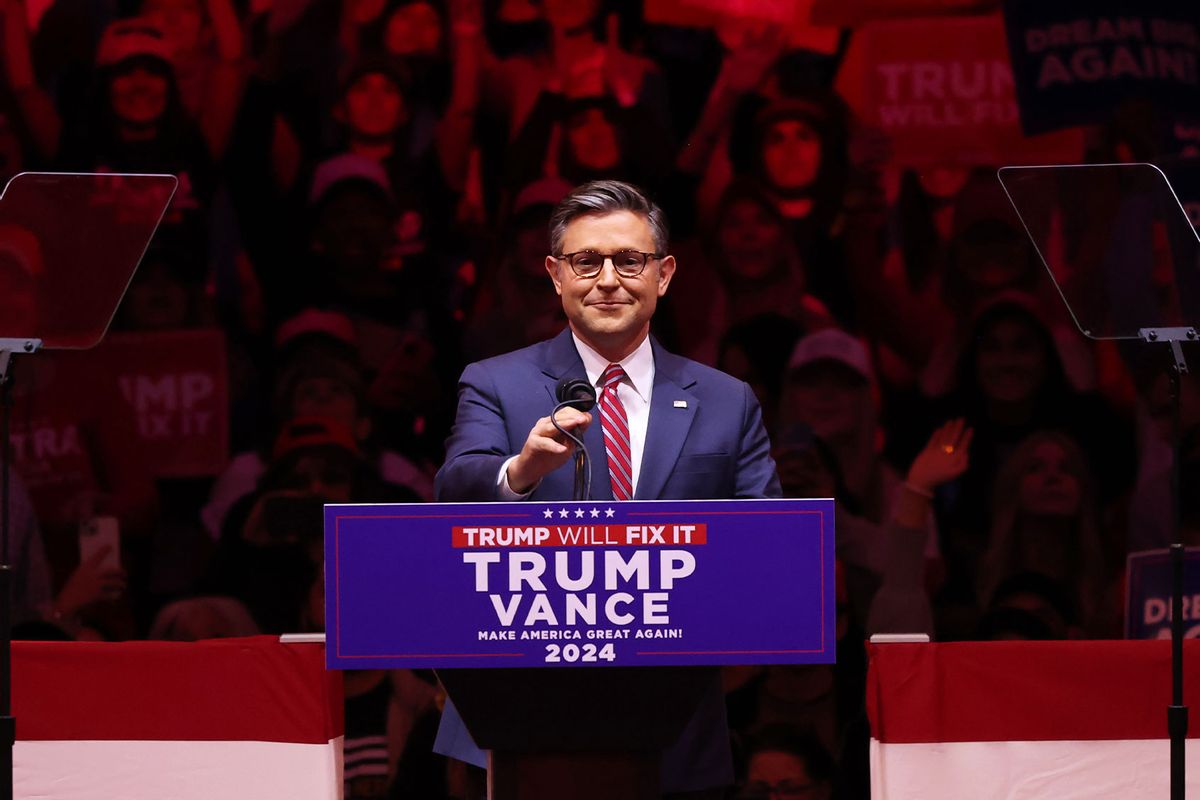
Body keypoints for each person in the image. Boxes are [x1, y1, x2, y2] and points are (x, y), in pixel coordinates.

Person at [434, 179, 780, 798]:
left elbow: (770, 547)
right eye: (586, 261)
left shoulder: (727, 401)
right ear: (555, 274)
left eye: (630, 260)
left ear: (665, 274)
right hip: (519, 708)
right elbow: (457, 486)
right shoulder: (495, 382)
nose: (608, 279)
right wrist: (522, 471)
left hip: (676, 716)